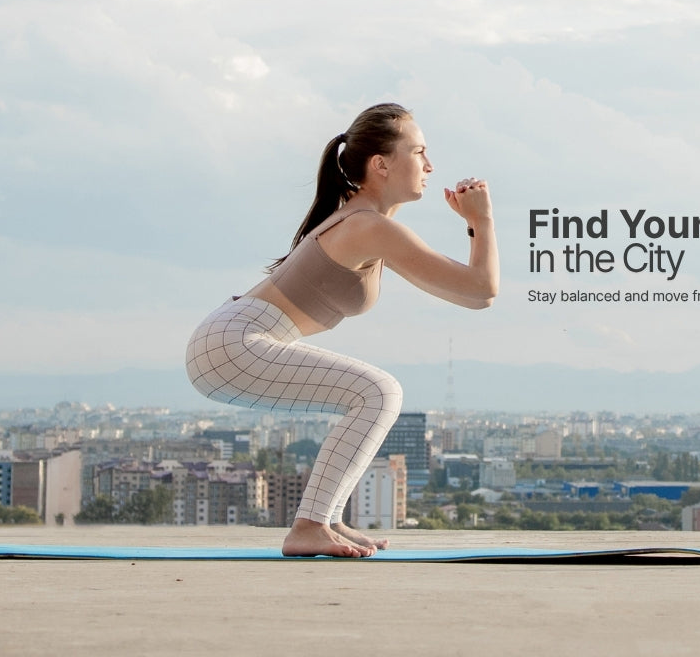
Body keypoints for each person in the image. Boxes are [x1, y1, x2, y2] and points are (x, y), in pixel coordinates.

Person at [184, 102, 497, 558]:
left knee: (372, 394)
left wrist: (474, 225)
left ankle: (325, 520)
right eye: (419, 152)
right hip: (236, 342)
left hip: (230, 340)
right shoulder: (368, 226)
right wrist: (481, 220)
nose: (430, 165)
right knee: (378, 392)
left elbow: (475, 297)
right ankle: (310, 526)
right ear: (381, 165)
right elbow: (482, 288)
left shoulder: (368, 224)